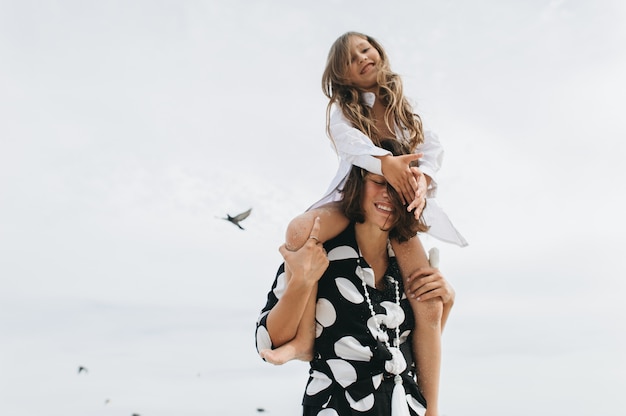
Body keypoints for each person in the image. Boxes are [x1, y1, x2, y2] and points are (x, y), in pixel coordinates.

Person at [256, 139, 454, 416]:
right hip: (336, 405)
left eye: (398, 187)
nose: (388, 194)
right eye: (378, 182)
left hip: (404, 405)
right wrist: (301, 281)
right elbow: (269, 342)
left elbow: (412, 349)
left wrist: (447, 304)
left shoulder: (407, 263)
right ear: (358, 183)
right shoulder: (321, 250)